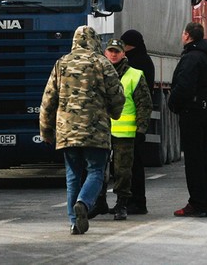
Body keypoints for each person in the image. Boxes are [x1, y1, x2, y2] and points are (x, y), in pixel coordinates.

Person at [39, 25, 124, 235]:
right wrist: (114, 113)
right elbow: (117, 95)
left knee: (72, 175)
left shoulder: (62, 64)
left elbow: (48, 100)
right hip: (96, 130)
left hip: (67, 131)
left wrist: (46, 131)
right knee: (96, 171)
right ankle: (84, 203)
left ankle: (74, 222)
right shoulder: (102, 63)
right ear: (96, 42)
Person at [168, 22, 207, 218]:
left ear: (188, 36)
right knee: (203, 157)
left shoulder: (191, 58)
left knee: (193, 160)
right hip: (206, 111)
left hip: (193, 112)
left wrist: (173, 103)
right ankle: (206, 201)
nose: (182, 36)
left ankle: (197, 203)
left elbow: (184, 86)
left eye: (183, 33)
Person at [99, 38, 152, 221]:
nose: (113, 54)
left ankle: (122, 204)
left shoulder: (135, 75)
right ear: (105, 53)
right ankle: (99, 202)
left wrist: (141, 129)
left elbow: (144, 104)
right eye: (111, 51)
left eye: (117, 51)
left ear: (124, 54)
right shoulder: (98, 73)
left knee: (123, 171)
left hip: (125, 133)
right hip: (101, 131)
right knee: (98, 169)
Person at [120, 29, 155, 215]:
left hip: (132, 121)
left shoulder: (135, 64)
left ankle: (137, 201)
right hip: (135, 121)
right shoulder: (145, 60)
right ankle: (134, 201)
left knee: (133, 165)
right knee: (132, 164)